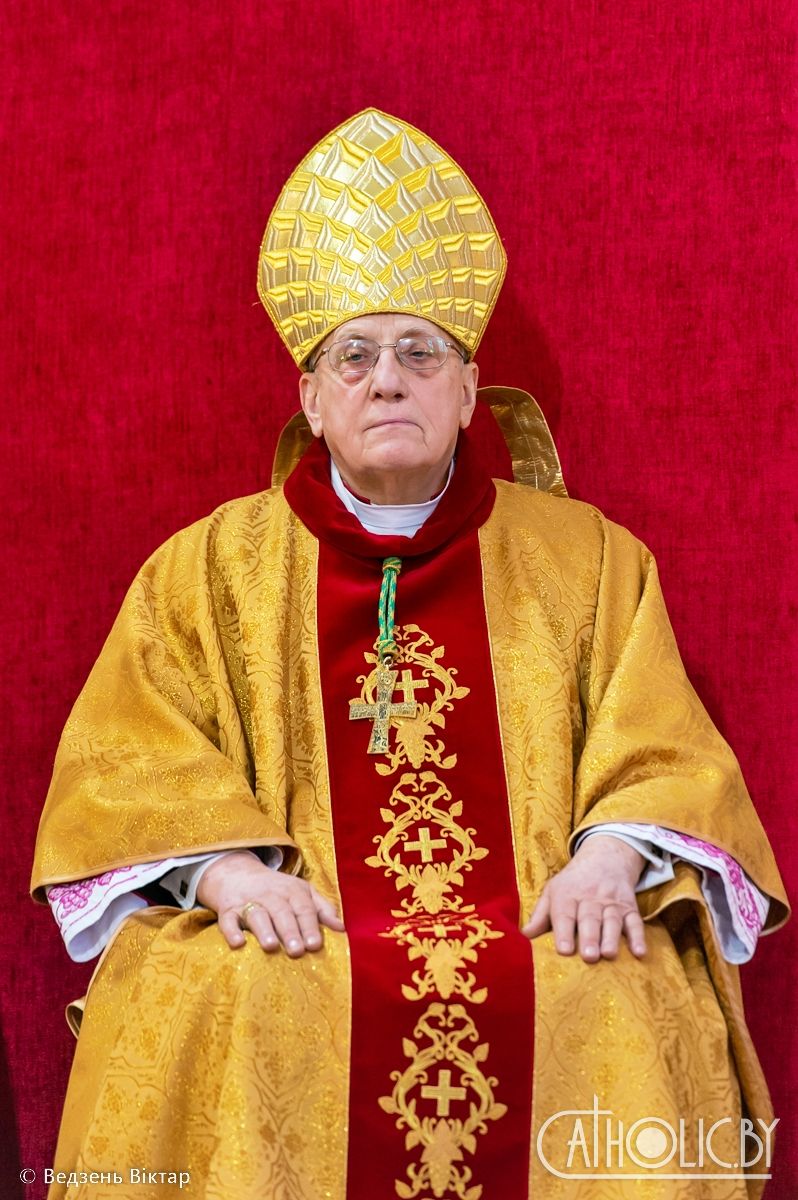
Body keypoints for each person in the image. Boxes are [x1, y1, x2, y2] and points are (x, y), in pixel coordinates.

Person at [33, 109, 787, 1200]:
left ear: (469, 391)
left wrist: (610, 859)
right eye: (355, 355)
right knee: (229, 990)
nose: (386, 380)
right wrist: (223, 870)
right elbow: (127, 763)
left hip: (535, 917)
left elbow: (666, 752)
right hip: (301, 923)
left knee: (616, 983)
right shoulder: (209, 570)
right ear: (311, 396)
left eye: (419, 353)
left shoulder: (588, 560)